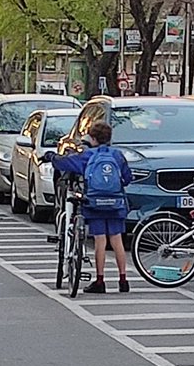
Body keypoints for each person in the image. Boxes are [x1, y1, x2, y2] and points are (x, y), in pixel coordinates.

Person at [44, 121, 133, 294]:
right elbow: (127, 178)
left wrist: (51, 157)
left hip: (95, 202)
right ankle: (123, 280)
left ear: (92, 138)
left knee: (100, 240)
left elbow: (65, 163)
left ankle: (100, 280)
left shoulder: (87, 155)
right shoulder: (117, 155)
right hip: (116, 202)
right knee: (117, 240)